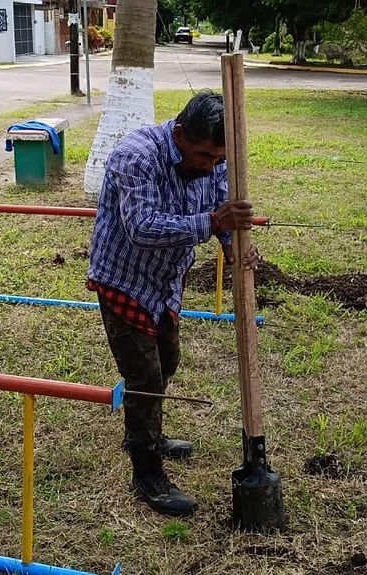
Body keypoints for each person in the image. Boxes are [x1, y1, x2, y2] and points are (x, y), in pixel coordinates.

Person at [86, 92, 259, 517]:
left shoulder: (215, 161)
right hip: (123, 280)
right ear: (180, 135)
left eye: (218, 159)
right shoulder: (136, 155)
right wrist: (213, 224)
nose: (210, 166)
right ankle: (146, 470)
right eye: (203, 156)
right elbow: (142, 228)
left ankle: (149, 432)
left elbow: (219, 208)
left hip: (165, 283)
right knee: (143, 375)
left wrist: (232, 244)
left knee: (167, 361)